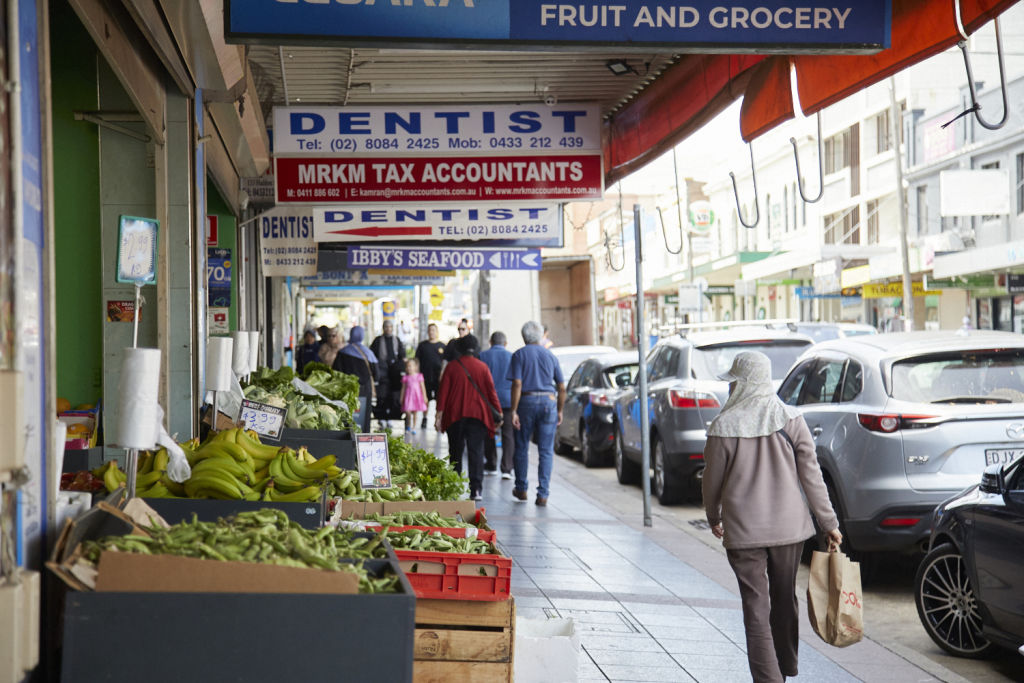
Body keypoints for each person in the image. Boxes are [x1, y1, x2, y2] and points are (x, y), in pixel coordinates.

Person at [702, 351, 843, 683]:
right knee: (783, 598)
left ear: (742, 382)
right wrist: (829, 523)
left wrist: (713, 515)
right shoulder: (791, 420)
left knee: (755, 607)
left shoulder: (723, 426)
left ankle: (770, 678)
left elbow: (712, 481)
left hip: (743, 533)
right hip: (788, 531)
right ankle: (785, 667)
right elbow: (812, 478)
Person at [435, 335, 501, 501]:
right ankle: (476, 489)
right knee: (476, 452)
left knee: (455, 451)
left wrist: (438, 415)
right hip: (477, 415)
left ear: (460, 348)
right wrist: (498, 414)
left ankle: (454, 487)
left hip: (455, 415)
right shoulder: (482, 367)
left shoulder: (451, 367)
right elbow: (491, 392)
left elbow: (443, 393)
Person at [507, 321, 565, 506]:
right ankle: (543, 494)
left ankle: (522, 488)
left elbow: (517, 384)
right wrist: (560, 409)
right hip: (549, 402)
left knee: (522, 446)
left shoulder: (519, 355)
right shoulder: (550, 356)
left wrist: (514, 410)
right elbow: (562, 387)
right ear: (540, 336)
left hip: (526, 402)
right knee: (546, 451)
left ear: (524, 336)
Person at [480, 331, 514, 479]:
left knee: (489, 432)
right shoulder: (512, 356)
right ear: (505, 343)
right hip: (508, 400)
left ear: (490, 342)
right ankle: (506, 469)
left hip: (489, 401)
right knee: (508, 434)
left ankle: (491, 464)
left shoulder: (483, 356)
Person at [332, 326, 378, 433]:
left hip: (347, 390)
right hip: (365, 390)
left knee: (348, 416)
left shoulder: (343, 352)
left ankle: (347, 439)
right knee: (364, 417)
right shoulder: (369, 353)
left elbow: (335, 372)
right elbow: (377, 374)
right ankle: (363, 438)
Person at [370, 320, 406, 427]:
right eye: (386, 327)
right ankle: (381, 417)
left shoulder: (397, 340)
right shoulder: (377, 340)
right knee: (382, 396)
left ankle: (391, 417)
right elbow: (372, 355)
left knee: (393, 396)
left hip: (394, 374)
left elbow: (402, 355)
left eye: (390, 327)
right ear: (383, 328)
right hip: (382, 373)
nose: (388, 329)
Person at [414, 323, 446, 428]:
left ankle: (437, 419)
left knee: (439, 399)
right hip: (425, 378)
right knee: (425, 399)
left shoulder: (442, 346)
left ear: (437, 332)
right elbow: (417, 361)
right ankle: (424, 418)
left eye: (433, 330)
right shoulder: (422, 345)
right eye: (430, 330)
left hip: (438, 379)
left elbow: (445, 363)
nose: (431, 332)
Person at [400, 357, 428, 436]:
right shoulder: (405, 377)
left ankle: (414, 427)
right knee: (408, 412)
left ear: (415, 367)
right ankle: (408, 426)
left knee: (415, 412)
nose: (409, 368)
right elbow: (403, 388)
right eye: (407, 366)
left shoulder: (419, 376)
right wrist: (401, 397)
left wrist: (425, 396)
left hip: (416, 396)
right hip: (408, 397)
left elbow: (423, 387)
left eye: (411, 366)